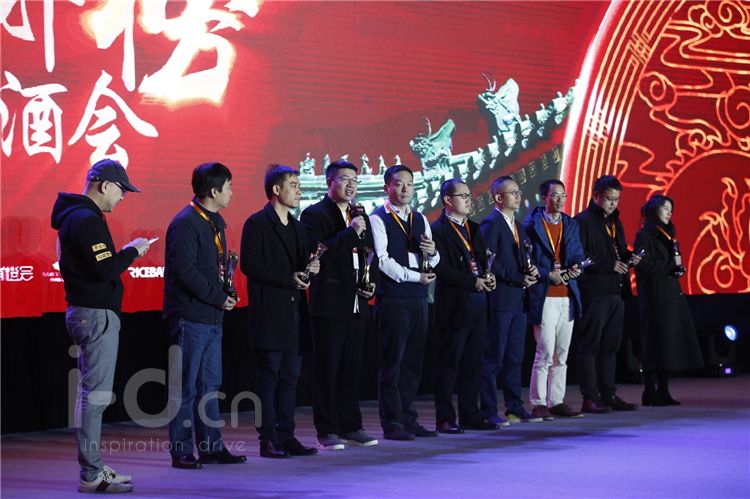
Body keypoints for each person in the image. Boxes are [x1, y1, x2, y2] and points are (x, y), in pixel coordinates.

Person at [51, 158, 150, 493]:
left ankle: (93, 467)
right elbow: (103, 270)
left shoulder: (76, 217)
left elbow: (97, 266)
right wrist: (132, 251)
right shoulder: (86, 219)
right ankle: (91, 473)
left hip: (86, 312)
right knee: (94, 397)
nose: (122, 198)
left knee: (92, 396)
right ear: (105, 185)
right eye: (122, 191)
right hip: (95, 314)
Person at [163, 162, 246, 469]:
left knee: (209, 385)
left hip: (212, 316)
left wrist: (227, 293)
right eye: (229, 187)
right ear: (213, 191)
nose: (232, 192)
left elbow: (218, 268)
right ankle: (182, 450)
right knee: (185, 387)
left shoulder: (215, 222)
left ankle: (211, 446)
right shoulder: (185, 222)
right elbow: (185, 272)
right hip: (190, 316)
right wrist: (217, 296)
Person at [241, 164, 319, 458]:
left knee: (290, 377)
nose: (299, 191)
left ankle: (287, 435)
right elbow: (250, 264)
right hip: (270, 312)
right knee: (269, 376)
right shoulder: (257, 223)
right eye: (294, 185)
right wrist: (288, 278)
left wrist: (310, 268)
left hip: (295, 312)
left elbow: (300, 265)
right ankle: (268, 438)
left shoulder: (298, 227)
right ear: (276, 189)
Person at [300, 160, 379, 450]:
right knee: (328, 369)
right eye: (345, 179)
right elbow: (317, 254)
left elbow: (371, 254)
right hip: (330, 302)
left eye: (355, 180)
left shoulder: (359, 214)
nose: (351, 185)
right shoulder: (314, 214)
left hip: (358, 300)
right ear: (329, 183)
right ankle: (327, 429)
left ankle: (352, 425)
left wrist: (371, 282)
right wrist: (349, 232)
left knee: (352, 368)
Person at [370, 164, 440, 440]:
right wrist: (415, 277)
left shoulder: (419, 218)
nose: (405, 189)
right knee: (393, 363)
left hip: (419, 298)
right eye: (398, 184)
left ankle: (409, 418)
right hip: (393, 298)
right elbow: (382, 260)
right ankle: (392, 423)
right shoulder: (378, 218)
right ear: (386, 187)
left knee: (413, 363)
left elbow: (433, 257)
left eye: (409, 184)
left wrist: (433, 253)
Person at [431, 179, 498, 434]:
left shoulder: (474, 227)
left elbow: (480, 262)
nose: (469, 200)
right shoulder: (438, 230)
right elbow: (440, 267)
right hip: (454, 304)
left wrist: (488, 277)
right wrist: (473, 281)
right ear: (448, 200)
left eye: (470, 196)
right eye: (463, 196)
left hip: (478, 304)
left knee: (474, 363)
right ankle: (445, 417)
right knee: (449, 364)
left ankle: (471, 414)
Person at [574, 175, 641, 413]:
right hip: (595, 291)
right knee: (590, 345)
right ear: (596, 196)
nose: (613, 204)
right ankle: (589, 397)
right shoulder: (582, 221)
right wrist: (609, 264)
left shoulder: (615, 221)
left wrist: (629, 258)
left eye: (616, 199)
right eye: (609, 199)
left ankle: (608, 393)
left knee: (610, 347)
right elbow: (580, 256)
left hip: (616, 291)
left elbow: (619, 250)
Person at [479, 175, 542, 425]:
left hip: (519, 300)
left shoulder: (519, 226)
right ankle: (488, 410)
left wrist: (532, 269)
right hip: (501, 299)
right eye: (512, 192)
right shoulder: (491, 224)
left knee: (515, 357)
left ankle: (514, 407)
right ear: (498, 197)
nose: (518, 196)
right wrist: (517, 278)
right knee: (493, 357)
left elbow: (525, 258)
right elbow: (489, 262)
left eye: (518, 192)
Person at [524, 179, 585, 420]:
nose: (560, 200)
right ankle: (538, 402)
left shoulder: (570, 223)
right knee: (545, 352)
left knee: (562, 353)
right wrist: (547, 274)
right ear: (544, 198)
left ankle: (556, 401)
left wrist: (577, 267)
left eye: (563, 195)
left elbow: (577, 252)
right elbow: (527, 260)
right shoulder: (531, 225)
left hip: (567, 295)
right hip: (544, 295)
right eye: (555, 195)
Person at [634, 195, 703, 406]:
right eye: (665, 207)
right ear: (654, 209)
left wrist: (677, 269)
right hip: (654, 295)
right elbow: (643, 265)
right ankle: (650, 390)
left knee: (668, 343)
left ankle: (664, 389)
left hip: (671, 293)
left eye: (671, 208)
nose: (669, 212)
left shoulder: (669, 235)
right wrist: (670, 266)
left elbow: (672, 262)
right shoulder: (644, 235)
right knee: (654, 342)